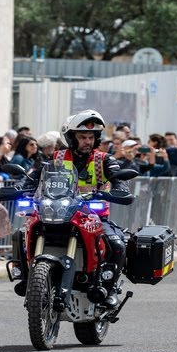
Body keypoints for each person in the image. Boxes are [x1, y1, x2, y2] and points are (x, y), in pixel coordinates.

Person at [27, 110, 134, 304]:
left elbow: (118, 179)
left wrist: (120, 189)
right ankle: (25, 276)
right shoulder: (56, 159)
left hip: (93, 216)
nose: (87, 141)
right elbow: (34, 176)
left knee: (117, 244)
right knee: (23, 232)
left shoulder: (104, 160)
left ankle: (108, 289)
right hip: (58, 213)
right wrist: (21, 187)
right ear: (71, 138)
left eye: (91, 137)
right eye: (82, 136)